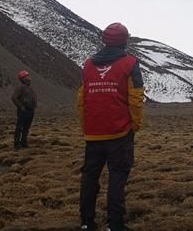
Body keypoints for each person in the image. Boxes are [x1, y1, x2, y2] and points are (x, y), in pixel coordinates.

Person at [78, 23, 144, 231]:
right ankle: (115, 224)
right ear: (125, 41)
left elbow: (82, 98)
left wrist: (86, 125)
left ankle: (87, 222)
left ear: (104, 41)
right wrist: (135, 124)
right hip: (120, 132)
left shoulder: (88, 64)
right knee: (117, 176)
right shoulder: (130, 63)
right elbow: (136, 98)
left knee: (90, 176)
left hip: (93, 132)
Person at [11, 70, 37, 149]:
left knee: (26, 127)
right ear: (23, 78)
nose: (29, 77)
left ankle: (24, 142)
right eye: (26, 76)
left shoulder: (30, 88)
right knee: (20, 127)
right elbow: (14, 97)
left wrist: (34, 107)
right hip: (23, 110)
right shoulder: (20, 87)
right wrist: (21, 106)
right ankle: (17, 144)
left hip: (30, 110)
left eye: (28, 76)